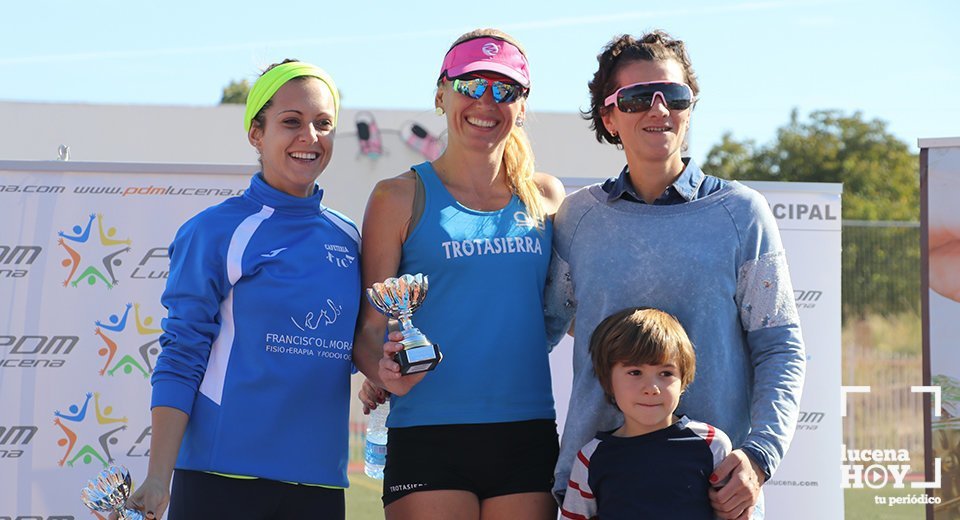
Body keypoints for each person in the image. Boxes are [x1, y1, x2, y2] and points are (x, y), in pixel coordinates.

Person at [546, 31, 806, 520]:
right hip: (598, 493)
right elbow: (535, 333)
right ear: (609, 116)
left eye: (675, 96)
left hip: (717, 497)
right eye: (639, 97)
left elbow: (780, 346)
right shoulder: (576, 219)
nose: (659, 109)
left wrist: (758, 456)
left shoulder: (742, 214)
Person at [123, 59, 376, 520]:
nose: (310, 137)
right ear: (256, 134)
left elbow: (358, 344)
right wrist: (160, 475)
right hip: (223, 479)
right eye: (291, 122)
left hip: (317, 483)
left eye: (324, 124)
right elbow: (182, 354)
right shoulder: (215, 231)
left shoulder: (349, 237)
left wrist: (385, 374)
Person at [356, 28, 566, 520]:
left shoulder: (547, 198)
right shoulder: (397, 198)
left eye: (504, 89)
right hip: (428, 431)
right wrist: (381, 370)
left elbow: (568, 310)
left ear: (522, 103)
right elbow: (369, 329)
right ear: (441, 93)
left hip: (527, 430)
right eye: (471, 85)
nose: (486, 102)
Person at [560, 307, 732, 519]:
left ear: (684, 380)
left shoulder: (712, 444)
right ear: (608, 381)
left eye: (665, 373)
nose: (652, 388)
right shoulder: (590, 458)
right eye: (635, 372)